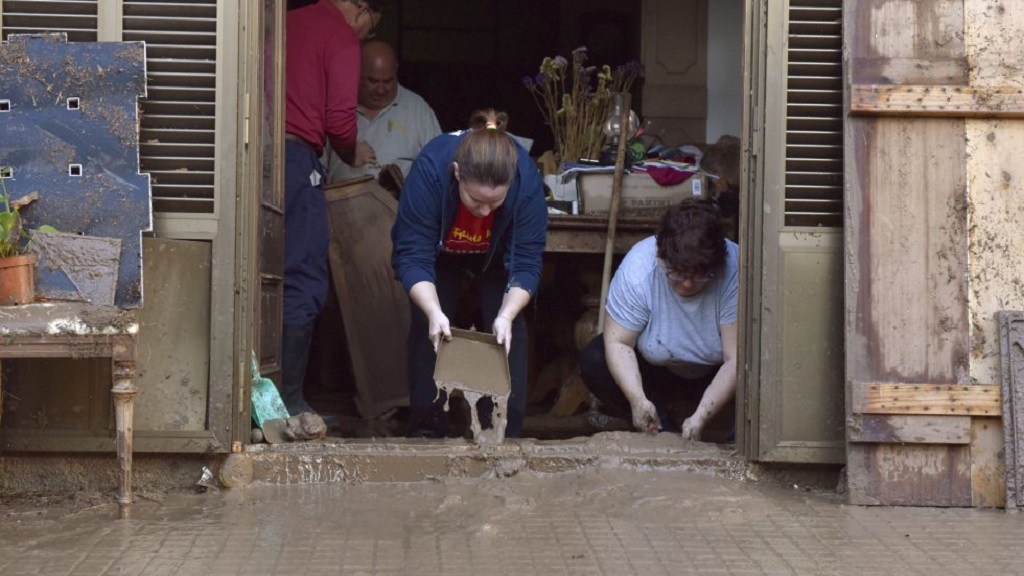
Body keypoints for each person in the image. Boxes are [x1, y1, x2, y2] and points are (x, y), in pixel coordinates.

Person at [391, 109, 548, 438]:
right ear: (458, 174)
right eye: (476, 201)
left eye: (496, 202)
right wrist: (434, 311)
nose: (486, 211)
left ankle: (503, 432)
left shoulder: (527, 181)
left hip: (497, 259)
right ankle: (427, 428)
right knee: (430, 326)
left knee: (506, 330)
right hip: (439, 257)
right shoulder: (431, 170)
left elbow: (526, 264)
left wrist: (506, 314)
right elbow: (412, 256)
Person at [282, 0, 381, 418]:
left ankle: (259, 393)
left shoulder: (285, 21)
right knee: (304, 272)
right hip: (297, 158)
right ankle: (288, 399)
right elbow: (340, 119)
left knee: (264, 272)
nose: (364, 38)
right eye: (369, 30)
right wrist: (351, 150)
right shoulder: (339, 34)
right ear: (361, 10)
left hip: (258, 158)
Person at [579, 200, 739, 441]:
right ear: (661, 257)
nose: (686, 284)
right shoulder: (639, 269)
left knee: (764, 364)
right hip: (659, 370)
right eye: (677, 273)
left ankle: (734, 440)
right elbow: (618, 343)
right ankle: (661, 428)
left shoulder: (736, 269)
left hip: (716, 372)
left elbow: (736, 359)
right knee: (595, 359)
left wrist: (702, 417)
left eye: (699, 276)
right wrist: (637, 399)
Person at [323, 39, 442, 185]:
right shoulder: (336, 106)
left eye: (388, 81)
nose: (380, 90)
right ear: (356, 73)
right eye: (372, 81)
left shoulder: (418, 109)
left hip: (398, 205)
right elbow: (316, 168)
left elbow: (439, 167)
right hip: (343, 203)